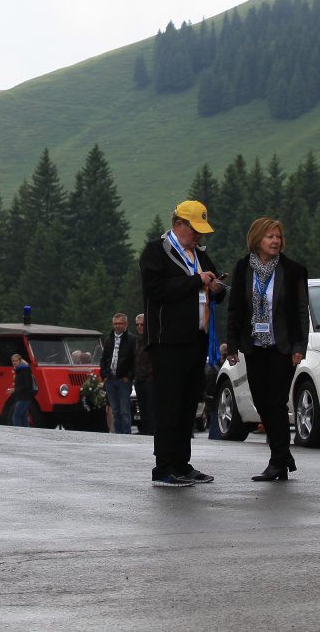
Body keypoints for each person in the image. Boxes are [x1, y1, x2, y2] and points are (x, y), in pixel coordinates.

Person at [140, 199, 227, 487]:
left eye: (201, 231)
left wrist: (216, 287)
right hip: (168, 341)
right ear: (178, 224)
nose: (199, 236)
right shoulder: (156, 251)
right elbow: (156, 289)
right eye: (194, 230)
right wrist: (195, 281)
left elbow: (212, 285)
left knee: (188, 404)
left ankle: (182, 463)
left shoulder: (199, 254)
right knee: (169, 404)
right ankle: (164, 467)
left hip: (196, 339)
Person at [225, 217, 310, 481]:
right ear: (256, 239)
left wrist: (300, 345)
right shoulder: (242, 268)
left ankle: (277, 462)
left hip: (282, 347)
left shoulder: (293, 270)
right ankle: (283, 454)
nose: (275, 241)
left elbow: (301, 310)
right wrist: (232, 344)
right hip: (254, 346)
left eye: (278, 237)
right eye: (270, 236)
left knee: (275, 401)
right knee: (261, 401)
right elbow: (235, 309)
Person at [99, 312, 136, 434]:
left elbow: (134, 360)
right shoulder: (108, 340)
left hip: (123, 380)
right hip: (110, 379)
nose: (118, 326)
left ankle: (126, 435)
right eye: (115, 323)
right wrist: (104, 375)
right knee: (115, 410)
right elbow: (103, 359)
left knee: (124, 410)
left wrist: (129, 376)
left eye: (120, 323)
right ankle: (118, 435)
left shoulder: (131, 340)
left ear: (126, 324)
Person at [133, 313, 155, 436]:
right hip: (139, 379)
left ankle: (152, 433)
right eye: (137, 325)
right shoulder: (136, 341)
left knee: (151, 409)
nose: (139, 327)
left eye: (142, 324)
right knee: (142, 409)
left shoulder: (152, 340)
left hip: (150, 380)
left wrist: (149, 377)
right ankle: (145, 431)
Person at [8, 354, 37, 427]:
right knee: (24, 418)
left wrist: (14, 390)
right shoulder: (19, 370)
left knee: (16, 416)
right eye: (13, 361)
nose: (14, 362)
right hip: (22, 397)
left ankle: (17, 432)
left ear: (20, 361)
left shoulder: (24, 371)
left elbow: (26, 386)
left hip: (24, 397)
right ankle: (26, 432)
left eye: (16, 361)